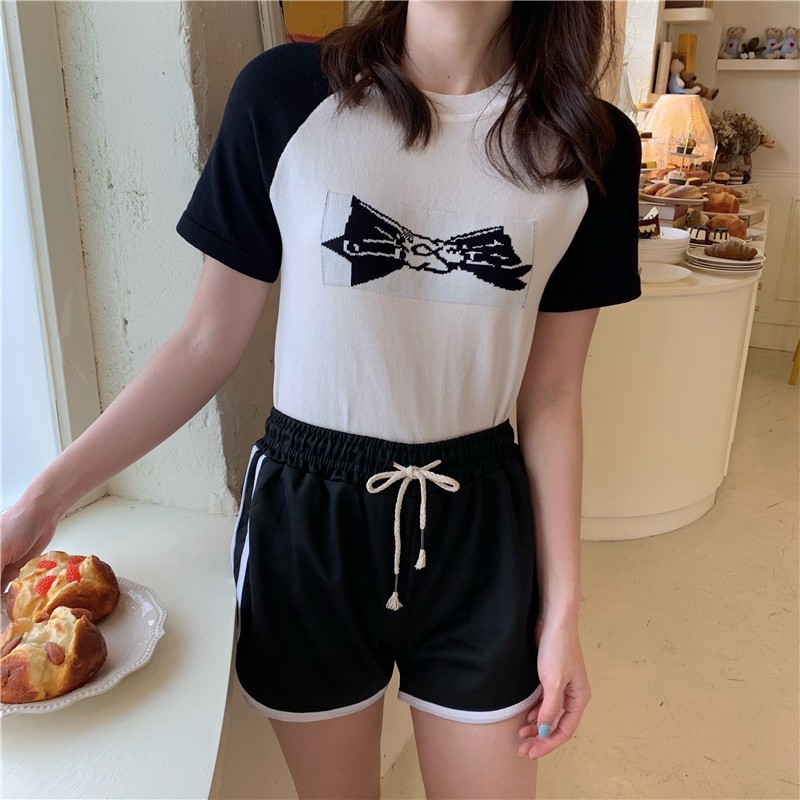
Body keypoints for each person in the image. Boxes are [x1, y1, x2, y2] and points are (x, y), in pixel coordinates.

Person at [1, 1, 642, 797]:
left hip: (480, 524)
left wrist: (564, 610)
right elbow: (203, 345)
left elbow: (550, 397)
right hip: (306, 522)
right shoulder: (285, 96)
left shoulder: (592, 144)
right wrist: (40, 502)